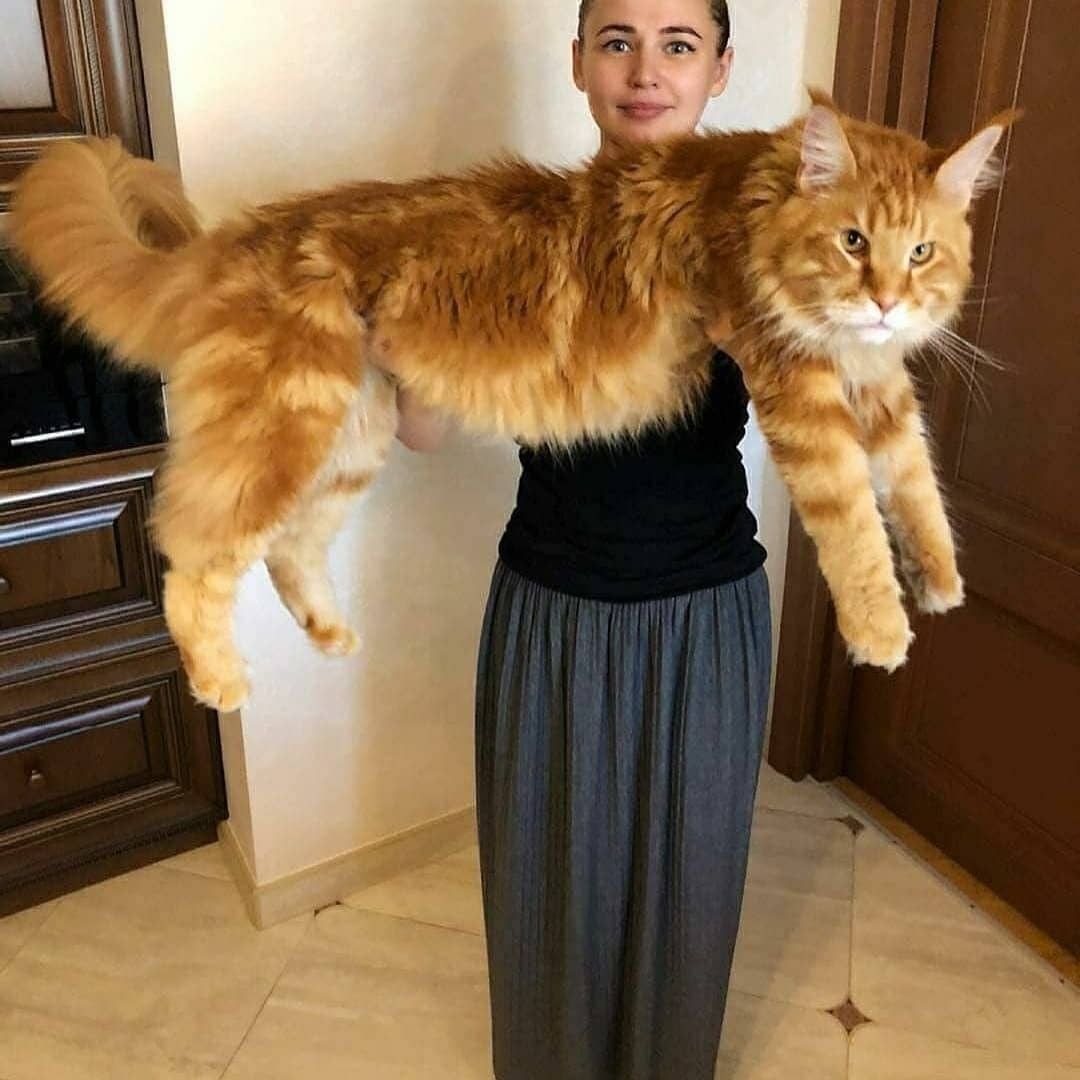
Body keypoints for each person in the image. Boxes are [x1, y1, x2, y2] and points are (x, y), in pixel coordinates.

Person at [398, 2, 770, 1076]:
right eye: (617, 41)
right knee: (548, 890)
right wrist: (410, 319)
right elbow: (425, 429)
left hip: (707, 619)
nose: (645, 71)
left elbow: (832, 415)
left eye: (678, 44)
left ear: (719, 69)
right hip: (551, 613)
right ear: (578, 63)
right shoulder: (521, 232)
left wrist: (740, 315)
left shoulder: (770, 234)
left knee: (689, 890)